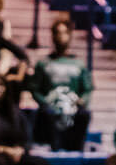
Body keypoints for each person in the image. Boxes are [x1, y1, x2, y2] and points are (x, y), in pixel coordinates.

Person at [30, 20, 93, 151]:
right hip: (51, 107)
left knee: (84, 114)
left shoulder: (79, 64)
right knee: (47, 114)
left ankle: (77, 151)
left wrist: (82, 101)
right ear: (52, 36)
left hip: (73, 106)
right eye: (57, 33)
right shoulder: (43, 63)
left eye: (64, 33)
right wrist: (45, 102)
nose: (61, 36)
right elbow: (34, 89)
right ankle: (55, 150)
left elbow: (87, 89)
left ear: (70, 35)